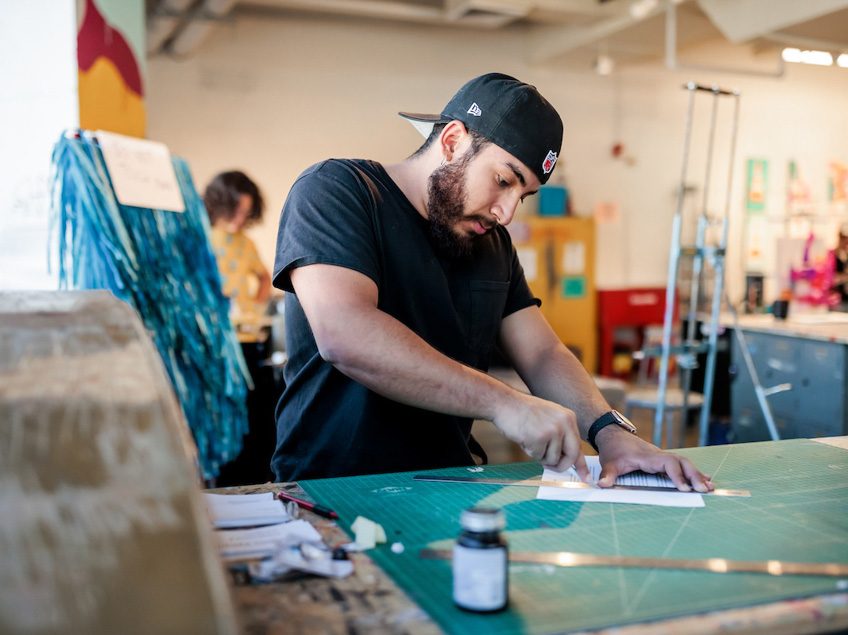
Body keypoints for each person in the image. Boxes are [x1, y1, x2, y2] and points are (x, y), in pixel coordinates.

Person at [271, 73, 714, 493]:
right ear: (451, 141)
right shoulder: (338, 192)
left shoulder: (491, 244)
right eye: (503, 181)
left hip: (448, 488)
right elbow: (346, 334)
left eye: (521, 195)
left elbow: (541, 352)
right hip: (332, 490)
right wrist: (506, 403)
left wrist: (610, 433)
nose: (507, 213)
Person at [204, 170, 271, 321]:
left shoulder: (247, 244)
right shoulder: (201, 237)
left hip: (240, 329)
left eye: (245, 213)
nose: (240, 219)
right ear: (219, 204)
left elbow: (265, 278)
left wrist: (254, 310)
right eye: (235, 211)